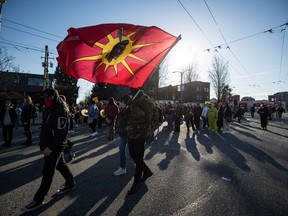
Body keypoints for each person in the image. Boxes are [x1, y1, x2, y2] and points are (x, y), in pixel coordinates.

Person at [22, 88, 76, 213]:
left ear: (55, 97)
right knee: (61, 165)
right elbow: (46, 127)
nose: (47, 101)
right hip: (49, 145)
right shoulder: (48, 108)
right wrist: (43, 143)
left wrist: (50, 148)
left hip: (55, 146)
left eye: (49, 98)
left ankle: (38, 198)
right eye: (45, 98)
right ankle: (71, 182)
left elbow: (60, 133)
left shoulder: (61, 110)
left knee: (47, 171)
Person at [125, 89, 153, 195]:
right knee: (132, 154)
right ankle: (146, 171)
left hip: (140, 132)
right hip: (131, 131)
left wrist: (132, 106)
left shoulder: (144, 100)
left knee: (139, 156)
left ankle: (136, 182)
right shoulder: (132, 98)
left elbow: (145, 116)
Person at [113, 94, 131, 176]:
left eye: (121, 102)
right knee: (122, 150)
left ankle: (142, 167)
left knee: (134, 153)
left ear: (125, 103)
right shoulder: (122, 110)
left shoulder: (129, 111)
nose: (119, 103)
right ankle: (123, 168)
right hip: (122, 134)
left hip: (128, 135)